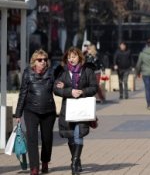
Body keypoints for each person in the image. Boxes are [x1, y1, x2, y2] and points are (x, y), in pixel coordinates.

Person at [54, 47, 98, 175]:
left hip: (82, 109)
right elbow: (56, 89)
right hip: (68, 108)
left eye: (73, 56)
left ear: (79, 57)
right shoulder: (62, 71)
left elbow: (94, 87)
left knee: (78, 134)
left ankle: (74, 163)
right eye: (68, 57)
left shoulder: (87, 70)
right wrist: (69, 91)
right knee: (70, 137)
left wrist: (82, 92)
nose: (71, 59)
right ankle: (77, 159)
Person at [14, 49, 56, 175]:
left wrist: (63, 87)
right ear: (34, 62)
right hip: (31, 110)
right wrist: (18, 113)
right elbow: (23, 93)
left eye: (45, 59)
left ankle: (45, 161)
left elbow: (59, 88)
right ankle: (34, 168)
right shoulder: (27, 73)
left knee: (47, 139)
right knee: (32, 139)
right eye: (40, 60)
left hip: (48, 111)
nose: (43, 62)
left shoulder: (51, 72)